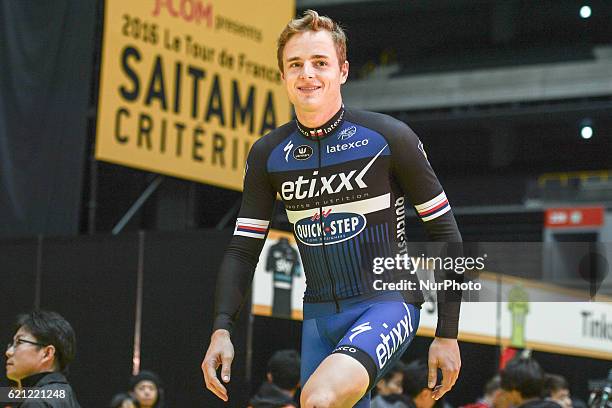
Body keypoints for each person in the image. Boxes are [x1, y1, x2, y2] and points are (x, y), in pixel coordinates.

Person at [202, 9, 462, 408]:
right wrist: (221, 329)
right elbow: (242, 248)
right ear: (282, 75)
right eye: (295, 64)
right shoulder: (268, 154)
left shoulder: (389, 138)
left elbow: (446, 235)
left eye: (319, 62)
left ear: (342, 71)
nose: (307, 73)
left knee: (317, 399)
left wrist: (447, 334)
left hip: (388, 302)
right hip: (319, 317)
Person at [4, 310, 81, 407]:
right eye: (12, 344)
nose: (8, 352)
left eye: (19, 342)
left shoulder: (37, 402)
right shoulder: (65, 393)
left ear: (47, 353)